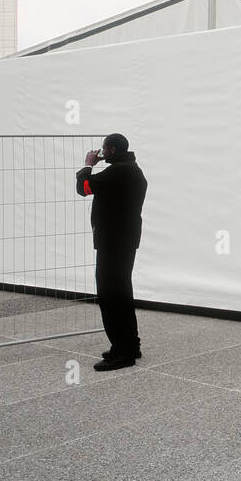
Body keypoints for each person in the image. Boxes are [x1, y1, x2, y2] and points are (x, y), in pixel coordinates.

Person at [75, 133, 148, 370]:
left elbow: (84, 188)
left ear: (112, 150)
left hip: (112, 242)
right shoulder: (133, 169)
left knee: (109, 296)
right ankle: (131, 346)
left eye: (104, 149)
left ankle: (122, 353)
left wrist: (88, 164)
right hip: (125, 241)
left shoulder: (117, 172)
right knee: (122, 294)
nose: (101, 152)